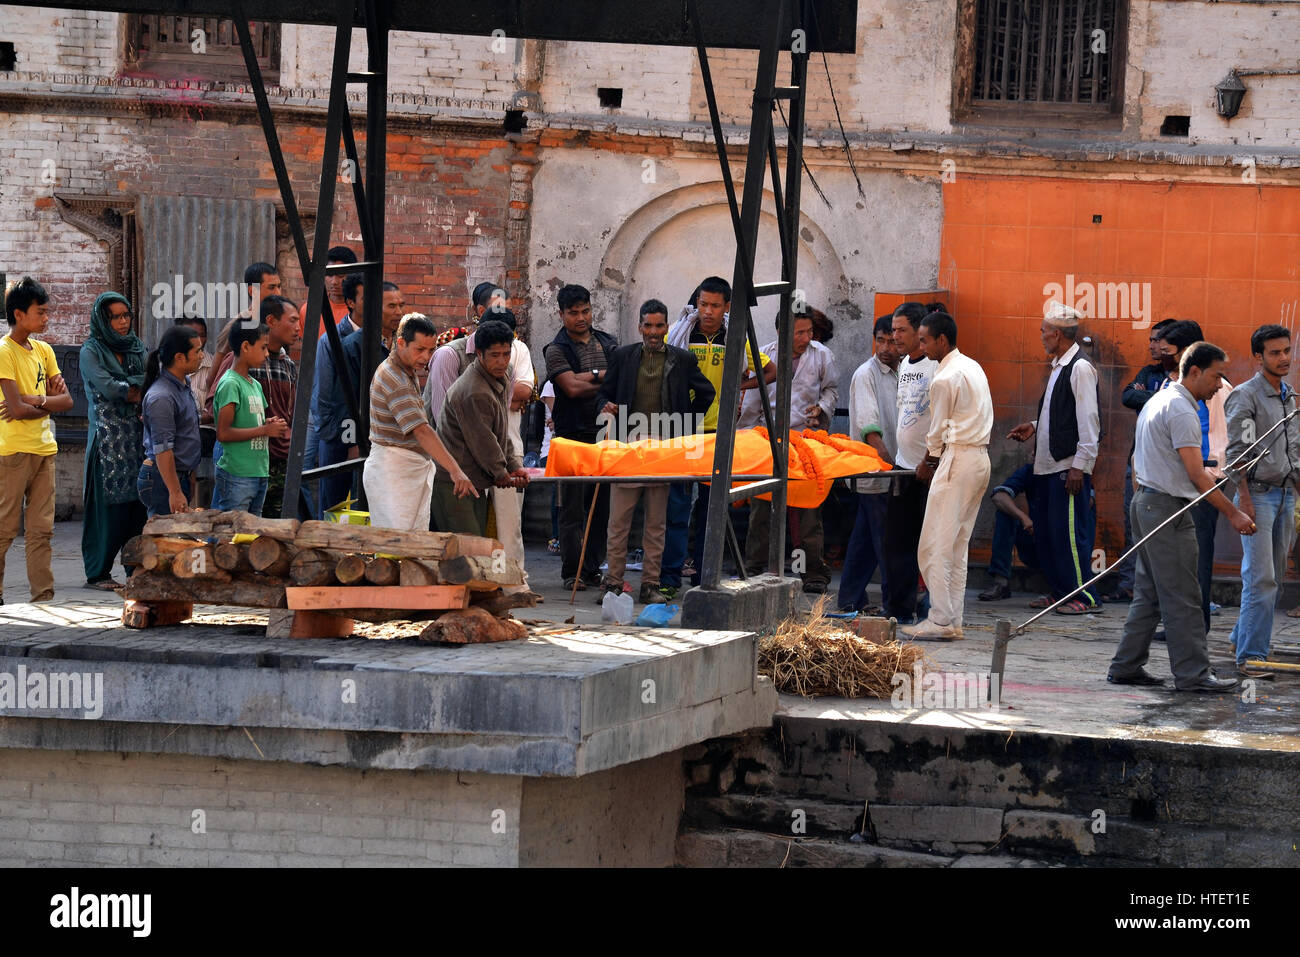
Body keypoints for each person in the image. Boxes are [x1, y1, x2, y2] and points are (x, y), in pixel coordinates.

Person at [1107, 342, 1251, 692]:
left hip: (1146, 503)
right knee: (1185, 596)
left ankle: (1126, 666)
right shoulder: (1183, 410)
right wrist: (1233, 513)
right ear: (1195, 372)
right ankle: (1193, 674)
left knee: (1150, 593)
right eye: (1216, 376)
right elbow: (1196, 474)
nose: (1220, 385)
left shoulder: (1158, 399)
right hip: (1166, 508)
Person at [597, 299, 715, 606]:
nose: (653, 332)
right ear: (639, 326)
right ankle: (612, 584)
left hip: (664, 449)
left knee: (656, 523)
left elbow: (707, 392)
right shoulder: (622, 356)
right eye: (648, 325)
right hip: (628, 446)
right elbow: (604, 393)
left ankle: (650, 585)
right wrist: (604, 406)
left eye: (659, 326)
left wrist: (685, 420)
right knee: (619, 521)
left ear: (666, 327)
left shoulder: (682, 359)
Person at [661, 276, 774, 594]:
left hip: (719, 434)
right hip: (683, 431)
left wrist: (739, 386)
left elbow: (771, 371)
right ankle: (669, 579)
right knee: (676, 508)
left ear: (726, 307)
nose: (707, 311)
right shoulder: (680, 334)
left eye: (714, 305)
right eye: (702, 304)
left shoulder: (736, 336)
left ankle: (704, 579)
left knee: (713, 510)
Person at [1008, 301, 1101, 614]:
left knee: (1070, 535)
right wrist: (1035, 427)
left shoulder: (1080, 368)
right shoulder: (1060, 365)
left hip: (1067, 467)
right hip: (1047, 467)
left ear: (1059, 335)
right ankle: (1061, 592)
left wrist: (1080, 466)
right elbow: (1062, 415)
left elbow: (1089, 421)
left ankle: (1085, 596)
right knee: (1049, 535)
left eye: (1044, 332)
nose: (1041, 337)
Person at [903, 312, 992, 639]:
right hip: (979, 458)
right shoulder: (972, 366)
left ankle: (941, 619)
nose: (920, 345)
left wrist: (928, 463)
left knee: (933, 546)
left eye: (925, 339)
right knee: (957, 546)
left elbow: (937, 433)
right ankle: (952, 620)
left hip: (958, 459)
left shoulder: (943, 378)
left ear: (942, 340)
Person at [742, 307, 838, 592]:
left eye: (809, 331)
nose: (807, 337)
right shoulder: (764, 356)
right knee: (761, 505)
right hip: (767, 439)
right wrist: (745, 439)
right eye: (800, 332)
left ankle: (812, 572)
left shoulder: (821, 355)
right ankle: (755, 567)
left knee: (808, 508)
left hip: (807, 439)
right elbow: (752, 400)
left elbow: (831, 389)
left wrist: (822, 408)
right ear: (782, 332)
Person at [1224, 324, 1300, 680]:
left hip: (1285, 494)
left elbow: (1294, 450)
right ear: (1258, 357)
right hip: (1257, 495)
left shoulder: (1289, 394)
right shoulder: (1245, 396)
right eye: (1275, 353)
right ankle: (1251, 658)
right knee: (1261, 579)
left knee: (1273, 578)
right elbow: (1238, 453)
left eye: (1286, 351)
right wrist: (1244, 500)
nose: (1284, 358)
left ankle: (1241, 639)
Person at [1153, 320, 1231, 634]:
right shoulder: (1174, 388)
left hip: (1204, 480)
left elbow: (1217, 440)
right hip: (1181, 483)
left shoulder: (1217, 388)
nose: (1165, 357)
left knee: (1196, 558)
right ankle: (1180, 624)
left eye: (1171, 352)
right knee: (1179, 560)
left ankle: (1195, 626)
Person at [363, 314, 475, 531]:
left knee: (412, 546)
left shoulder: (406, 370)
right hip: (393, 471)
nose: (426, 357)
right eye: (420, 349)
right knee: (396, 548)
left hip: (407, 468)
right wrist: (455, 470)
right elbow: (422, 431)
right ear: (401, 343)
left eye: (431, 350)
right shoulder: (394, 377)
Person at [0, 277, 73, 604]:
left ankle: (42, 598)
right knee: (4, 530)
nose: (46, 319)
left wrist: (34, 400)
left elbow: (67, 402)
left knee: (41, 531)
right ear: (19, 314)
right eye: (40, 313)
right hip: (12, 452)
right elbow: (13, 409)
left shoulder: (43, 350)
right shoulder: (4, 352)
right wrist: (42, 402)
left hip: (45, 449)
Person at [544, 284, 619, 591]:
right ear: (561, 314)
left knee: (600, 509)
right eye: (573, 313)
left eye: (585, 311)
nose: (580, 318)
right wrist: (603, 378)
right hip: (571, 437)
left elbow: (619, 382)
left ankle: (592, 569)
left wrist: (592, 379)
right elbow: (570, 389)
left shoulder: (608, 343)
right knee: (571, 510)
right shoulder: (555, 349)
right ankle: (571, 572)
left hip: (604, 436)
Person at [433, 319, 529, 537]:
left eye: (506, 354)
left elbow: (501, 429)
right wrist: (501, 472)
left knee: (477, 547)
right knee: (466, 550)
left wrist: (513, 465)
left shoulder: (504, 375)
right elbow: (483, 440)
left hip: (475, 478)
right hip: (453, 481)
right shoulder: (473, 390)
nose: (502, 361)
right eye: (495, 355)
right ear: (479, 353)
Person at [1104, 317, 1176, 602]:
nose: (1153, 345)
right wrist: (1161, 398)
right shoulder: (1148, 373)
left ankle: (1166, 589)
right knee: (1133, 522)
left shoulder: (1187, 378)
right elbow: (1129, 396)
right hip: (1139, 462)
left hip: (1171, 465)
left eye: (1158, 339)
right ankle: (1130, 584)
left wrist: (1155, 397)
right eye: (1151, 339)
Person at [79, 292, 148, 591]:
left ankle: (135, 569)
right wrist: (135, 387)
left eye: (125, 316)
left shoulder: (137, 347)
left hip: (137, 439)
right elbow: (108, 388)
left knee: (137, 506)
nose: (122, 322)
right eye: (115, 317)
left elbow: (151, 378)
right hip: (107, 443)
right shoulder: (91, 351)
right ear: (103, 320)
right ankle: (98, 573)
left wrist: (134, 386)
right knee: (107, 511)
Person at [209, 295, 300, 517]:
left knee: (256, 533)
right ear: (246, 347)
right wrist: (264, 430)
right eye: (262, 348)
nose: (266, 354)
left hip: (261, 468)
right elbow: (223, 431)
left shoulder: (259, 382)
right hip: (238, 471)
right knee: (231, 532)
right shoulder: (231, 382)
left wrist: (269, 424)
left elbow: (257, 418)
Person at [882, 302, 938, 623]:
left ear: (919, 331)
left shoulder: (937, 368)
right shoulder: (904, 365)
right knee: (897, 543)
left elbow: (943, 421)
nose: (895, 336)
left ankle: (933, 609)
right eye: (893, 329)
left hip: (928, 471)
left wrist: (930, 461)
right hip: (902, 467)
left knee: (929, 544)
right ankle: (899, 609)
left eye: (901, 329)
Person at [838, 314, 899, 613]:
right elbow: (869, 427)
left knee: (866, 539)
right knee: (886, 541)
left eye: (892, 341)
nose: (886, 347)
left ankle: (850, 598)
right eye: (881, 340)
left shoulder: (905, 372)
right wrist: (891, 464)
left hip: (892, 470)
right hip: (877, 470)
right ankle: (894, 602)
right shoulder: (866, 374)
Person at [138, 324, 204, 518]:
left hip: (178, 476)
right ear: (179, 357)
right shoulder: (162, 397)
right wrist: (174, 492)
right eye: (197, 351)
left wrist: (189, 476)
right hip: (161, 480)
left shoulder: (184, 384)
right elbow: (163, 449)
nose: (202, 356)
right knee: (164, 542)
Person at [314, 271, 366, 514]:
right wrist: (342, 439)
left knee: (361, 508)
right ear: (351, 303)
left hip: (369, 439)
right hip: (338, 436)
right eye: (367, 299)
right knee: (333, 508)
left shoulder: (383, 338)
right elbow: (323, 396)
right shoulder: (332, 339)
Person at [976, 463, 1040, 601]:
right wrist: (1023, 517)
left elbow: (1087, 503)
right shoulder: (1030, 470)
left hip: (1060, 548)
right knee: (1006, 513)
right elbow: (999, 496)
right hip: (1036, 543)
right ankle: (1001, 583)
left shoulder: (1073, 472)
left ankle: (1079, 583)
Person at [178, 316, 216, 507]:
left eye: (202, 335)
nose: (199, 340)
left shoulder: (213, 366)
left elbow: (214, 412)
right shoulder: (168, 367)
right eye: (193, 336)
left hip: (204, 431)